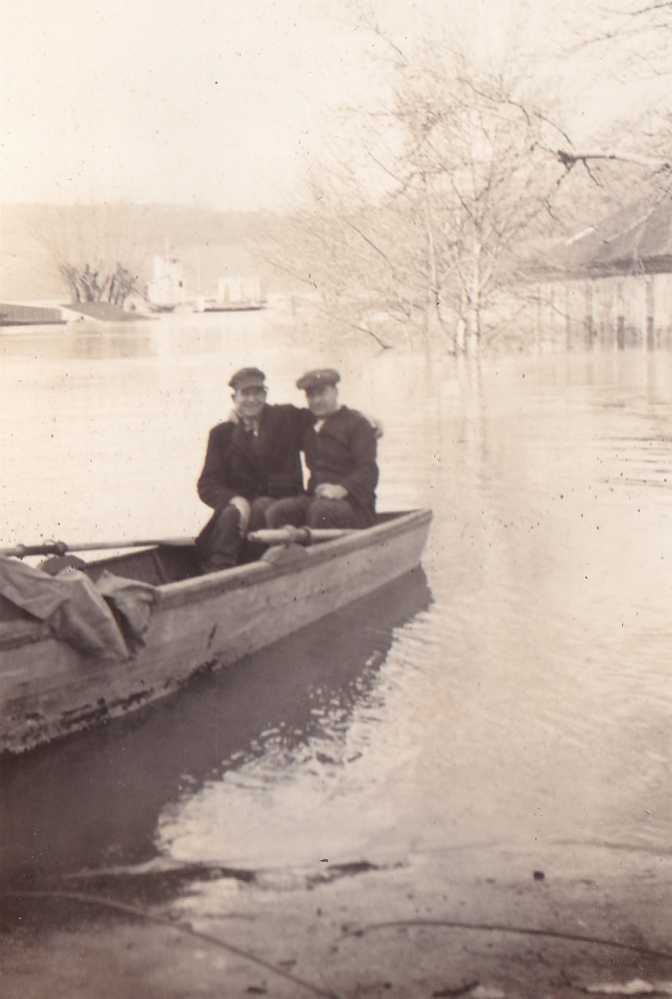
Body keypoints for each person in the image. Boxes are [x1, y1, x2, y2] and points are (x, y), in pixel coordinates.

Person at [195, 367, 311, 571]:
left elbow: (325, 414)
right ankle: (219, 570)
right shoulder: (221, 434)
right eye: (245, 394)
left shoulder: (286, 418)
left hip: (283, 509)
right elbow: (207, 484)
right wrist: (234, 499)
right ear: (234, 398)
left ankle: (247, 568)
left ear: (265, 395)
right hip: (241, 518)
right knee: (232, 513)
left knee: (262, 506)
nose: (251, 399)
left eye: (257, 393)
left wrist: (369, 420)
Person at [265, 368, 378, 530]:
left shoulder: (357, 424)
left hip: (354, 505)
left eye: (322, 393)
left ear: (335, 392)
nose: (317, 400)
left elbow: (369, 470)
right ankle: (289, 554)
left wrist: (342, 489)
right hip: (315, 499)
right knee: (277, 511)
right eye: (311, 395)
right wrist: (237, 412)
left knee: (321, 510)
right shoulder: (305, 421)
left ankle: (325, 555)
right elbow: (270, 413)